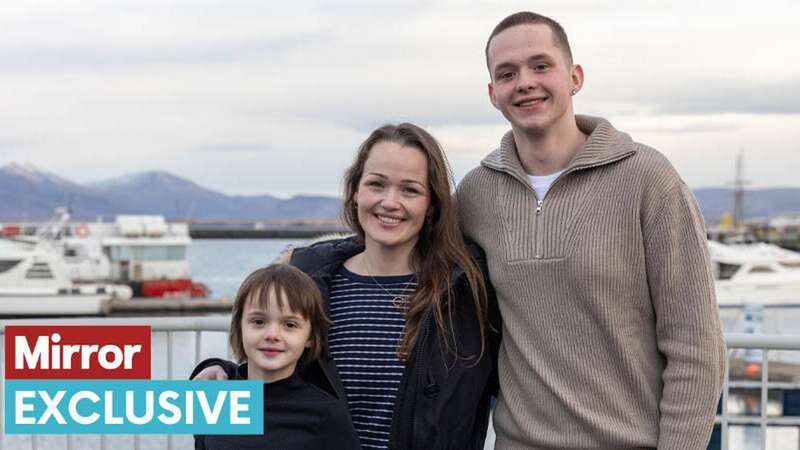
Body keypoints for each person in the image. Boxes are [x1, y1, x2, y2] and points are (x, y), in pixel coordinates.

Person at [455, 11, 726, 449]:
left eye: (541, 66)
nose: (525, 82)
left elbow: (696, 349)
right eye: (507, 73)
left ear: (575, 76)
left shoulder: (647, 179)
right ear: (492, 93)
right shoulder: (476, 194)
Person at [194, 123, 500, 450]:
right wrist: (221, 372)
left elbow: (525, 372)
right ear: (355, 192)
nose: (390, 202)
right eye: (376, 184)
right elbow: (279, 379)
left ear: (432, 205)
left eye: (409, 190)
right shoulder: (311, 280)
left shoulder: (467, 293)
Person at [193, 264, 360, 450]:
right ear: (240, 327)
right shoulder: (213, 396)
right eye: (258, 321)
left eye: (289, 324)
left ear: (311, 337)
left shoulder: (326, 415)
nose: (272, 334)